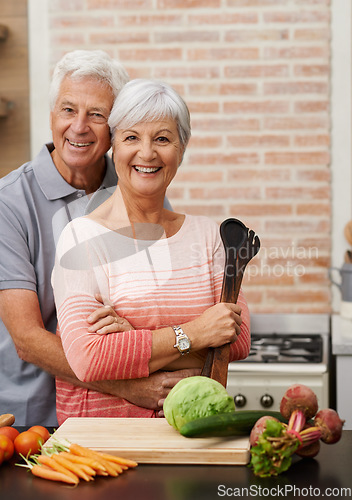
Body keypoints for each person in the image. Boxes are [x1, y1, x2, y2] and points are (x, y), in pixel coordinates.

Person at [0, 51, 196, 427]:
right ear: (52, 114)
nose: (79, 127)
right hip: (34, 420)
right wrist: (126, 385)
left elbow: (159, 310)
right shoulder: (9, 203)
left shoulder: (141, 184)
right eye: (68, 110)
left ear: (116, 125)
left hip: (117, 422)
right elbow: (27, 338)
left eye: (96, 114)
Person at [51, 78, 251, 424]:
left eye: (162, 138)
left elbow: (237, 341)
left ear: (181, 149)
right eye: (131, 137)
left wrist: (132, 341)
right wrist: (194, 334)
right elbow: (88, 358)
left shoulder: (210, 237)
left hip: (195, 438)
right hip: (102, 450)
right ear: (114, 145)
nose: (147, 153)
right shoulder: (82, 237)